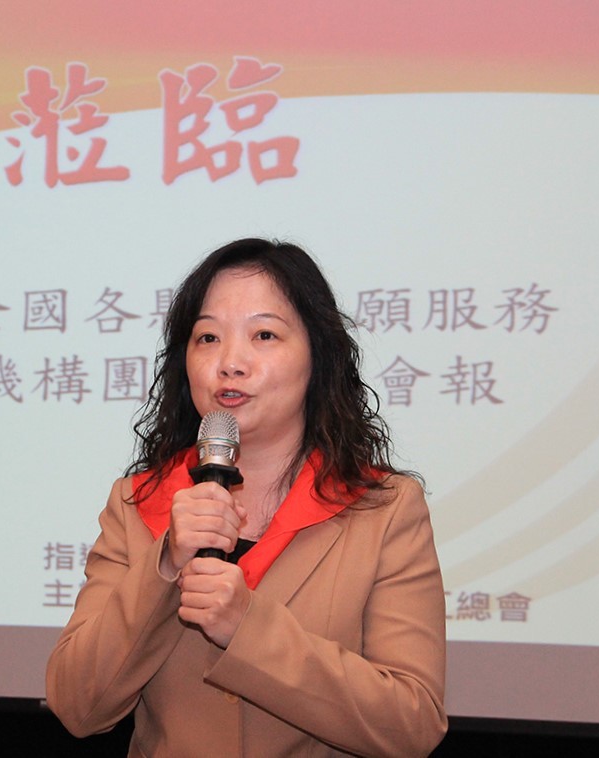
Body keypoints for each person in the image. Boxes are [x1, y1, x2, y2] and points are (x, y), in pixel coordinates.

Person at [46, 238, 447, 757]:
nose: (230, 362)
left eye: (264, 335)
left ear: (318, 357)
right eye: (208, 337)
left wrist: (247, 629)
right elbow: (77, 707)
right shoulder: (138, 503)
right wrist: (164, 566)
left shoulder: (385, 509)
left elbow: (411, 725)